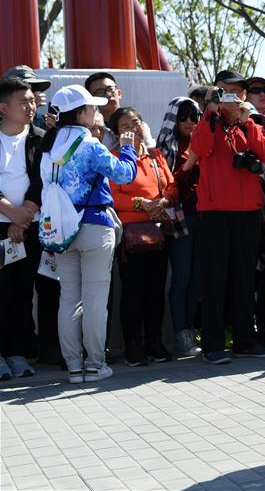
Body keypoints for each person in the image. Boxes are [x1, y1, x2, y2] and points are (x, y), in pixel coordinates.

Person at [39, 85, 137, 383]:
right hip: (94, 225)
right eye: (92, 108)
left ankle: (74, 367)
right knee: (95, 300)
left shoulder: (48, 148)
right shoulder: (90, 144)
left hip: (61, 230)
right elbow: (125, 174)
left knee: (68, 299)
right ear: (80, 113)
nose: (97, 112)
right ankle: (95, 364)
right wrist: (128, 147)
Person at [191, 79, 265, 364]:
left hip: (247, 212)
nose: (232, 96)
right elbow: (200, 148)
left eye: (237, 92)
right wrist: (210, 112)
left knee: (244, 279)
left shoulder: (250, 122)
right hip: (214, 213)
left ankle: (244, 341)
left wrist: (247, 120)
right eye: (226, 91)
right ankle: (213, 344)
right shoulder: (209, 122)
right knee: (214, 280)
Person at [109, 108, 176, 366]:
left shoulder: (156, 156)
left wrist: (165, 200)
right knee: (132, 291)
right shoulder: (114, 158)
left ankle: (155, 340)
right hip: (130, 237)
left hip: (157, 231)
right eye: (125, 125)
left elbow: (172, 185)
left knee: (156, 289)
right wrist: (141, 205)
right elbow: (113, 196)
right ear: (116, 133)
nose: (132, 128)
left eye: (135, 122)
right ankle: (133, 345)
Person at [0, 77, 46, 378]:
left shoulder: (41, 138)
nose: (31, 106)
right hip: (2, 222)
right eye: (23, 101)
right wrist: (10, 213)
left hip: (29, 225)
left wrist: (25, 214)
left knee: (21, 293)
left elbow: (44, 180)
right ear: (3, 107)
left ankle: (18, 353)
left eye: (32, 100)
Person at [155, 96, 203, 356]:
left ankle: (192, 332)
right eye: (182, 116)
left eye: (194, 116)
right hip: (180, 220)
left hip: (206, 217)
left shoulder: (205, 142)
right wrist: (192, 161)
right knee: (182, 278)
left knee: (198, 280)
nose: (189, 121)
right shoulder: (164, 148)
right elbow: (166, 183)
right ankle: (181, 335)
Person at [84, 72, 155, 150]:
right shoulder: (91, 130)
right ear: (92, 99)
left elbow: (150, 151)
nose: (108, 94)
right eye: (100, 92)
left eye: (110, 89)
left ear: (119, 93)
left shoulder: (139, 125)